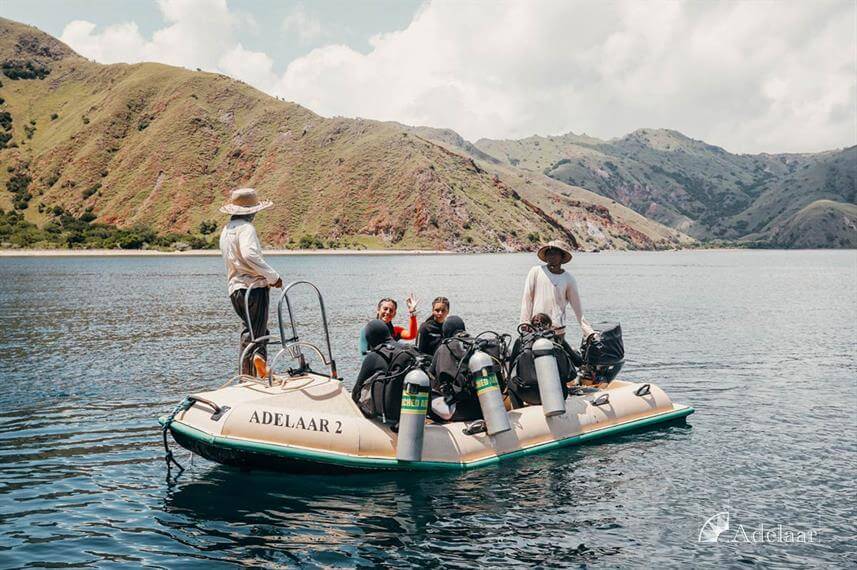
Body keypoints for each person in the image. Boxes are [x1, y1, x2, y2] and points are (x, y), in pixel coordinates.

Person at [218, 187, 282, 375]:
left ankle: (246, 373)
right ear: (251, 212)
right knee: (259, 333)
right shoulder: (246, 229)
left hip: (234, 289)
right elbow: (249, 254)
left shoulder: (226, 230)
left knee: (249, 330)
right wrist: (274, 277)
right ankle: (258, 364)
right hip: (253, 288)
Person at [519, 239, 594, 343]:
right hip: (535, 330)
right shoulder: (536, 272)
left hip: (557, 331)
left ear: (562, 257)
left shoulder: (568, 279)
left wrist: (588, 331)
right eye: (549, 253)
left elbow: (577, 309)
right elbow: (527, 299)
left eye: (555, 253)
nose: (551, 256)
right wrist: (524, 322)